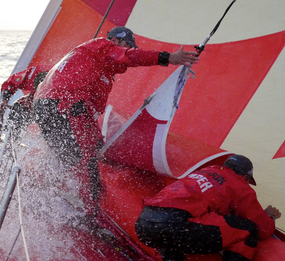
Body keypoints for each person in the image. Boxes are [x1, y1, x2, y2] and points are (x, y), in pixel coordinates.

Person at [33, 26, 199, 211]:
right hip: (61, 107)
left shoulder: (97, 67)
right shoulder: (102, 46)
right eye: (127, 46)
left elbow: (86, 112)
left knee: (76, 154)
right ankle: (89, 210)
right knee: (82, 161)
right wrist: (168, 58)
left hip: (53, 107)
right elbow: (130, 56)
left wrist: (98, 141)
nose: (128, 51)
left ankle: (47, 193)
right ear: (117, 41)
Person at [135, 154, 281, 261]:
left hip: (144, 224)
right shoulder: (240, 185)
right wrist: (270, 216)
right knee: (249, 230)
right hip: (175, 225)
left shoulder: (204, 171)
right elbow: (263, 228)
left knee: (178, 218)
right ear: (245, 177)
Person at [0, 64, 51, 138]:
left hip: (54, 100)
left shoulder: (60, 81)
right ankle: (11, 140)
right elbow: (9, 83)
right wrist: (4, 100)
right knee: (17, 108)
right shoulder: (29, 76)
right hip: (34, 97)